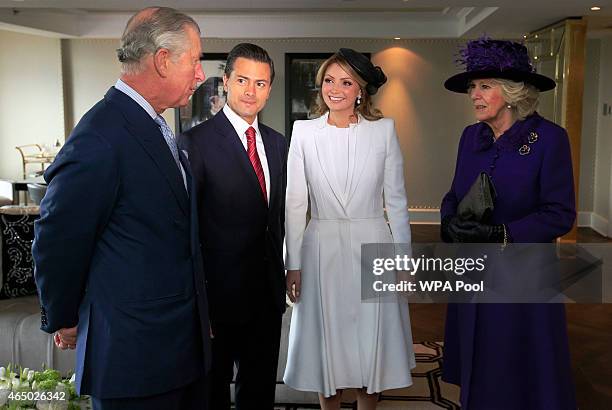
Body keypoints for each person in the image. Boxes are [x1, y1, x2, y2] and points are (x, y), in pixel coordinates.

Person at [33, 7, 210, 410]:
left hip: (177, 351)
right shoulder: (102, 135)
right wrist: (63, 315)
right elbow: (56, 237)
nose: (200, 75)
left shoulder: (149, 122)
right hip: (135, 361)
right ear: (163, 61)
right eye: (195, 61)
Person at [440, 37, 577, 409]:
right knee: (476, 354)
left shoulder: (550, 139)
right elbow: (454, 195)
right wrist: (449, 221)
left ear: (514, 93)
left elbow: (560, 213)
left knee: (515, 360)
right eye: (473, 87)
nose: (474, 95)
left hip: (523, 275)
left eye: (485, 86)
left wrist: (502, 233)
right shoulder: (471, 137)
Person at [284, 48, 416, 410]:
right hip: (321, 247)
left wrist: (404, 262)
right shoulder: (304, 132)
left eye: (346, 82)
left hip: (373, 243)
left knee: (371, 339)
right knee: (328, 341)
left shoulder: (383, 131)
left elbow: (398, 201)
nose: (335, 88)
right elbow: (295, 203)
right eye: (329, 80)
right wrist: (291, 263)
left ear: (361, 89)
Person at [178, 43, 287, 410]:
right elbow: (188, 230)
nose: (250, 91)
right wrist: (200, 305)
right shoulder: (196, 143)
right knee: (212, 397)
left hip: (266, 298)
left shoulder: (277, 144)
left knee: (259, 396)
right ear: (225, 81)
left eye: (260, 83)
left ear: (269, 88)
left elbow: (277, 221)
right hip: (218, 302)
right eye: (242, 80)